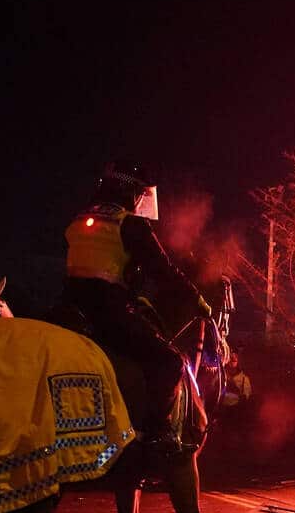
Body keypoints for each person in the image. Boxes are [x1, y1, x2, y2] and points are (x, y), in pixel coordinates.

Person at [55, 162, 211, 453]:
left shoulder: (78, 220)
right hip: (107, 314)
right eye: (140, 194)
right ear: (130, 192)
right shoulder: (129, 223)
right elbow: (162, 270)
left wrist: (133, 293)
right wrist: (195, 299)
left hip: (69, 311)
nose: (141, 201)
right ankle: (156, 432)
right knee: (169, 362)